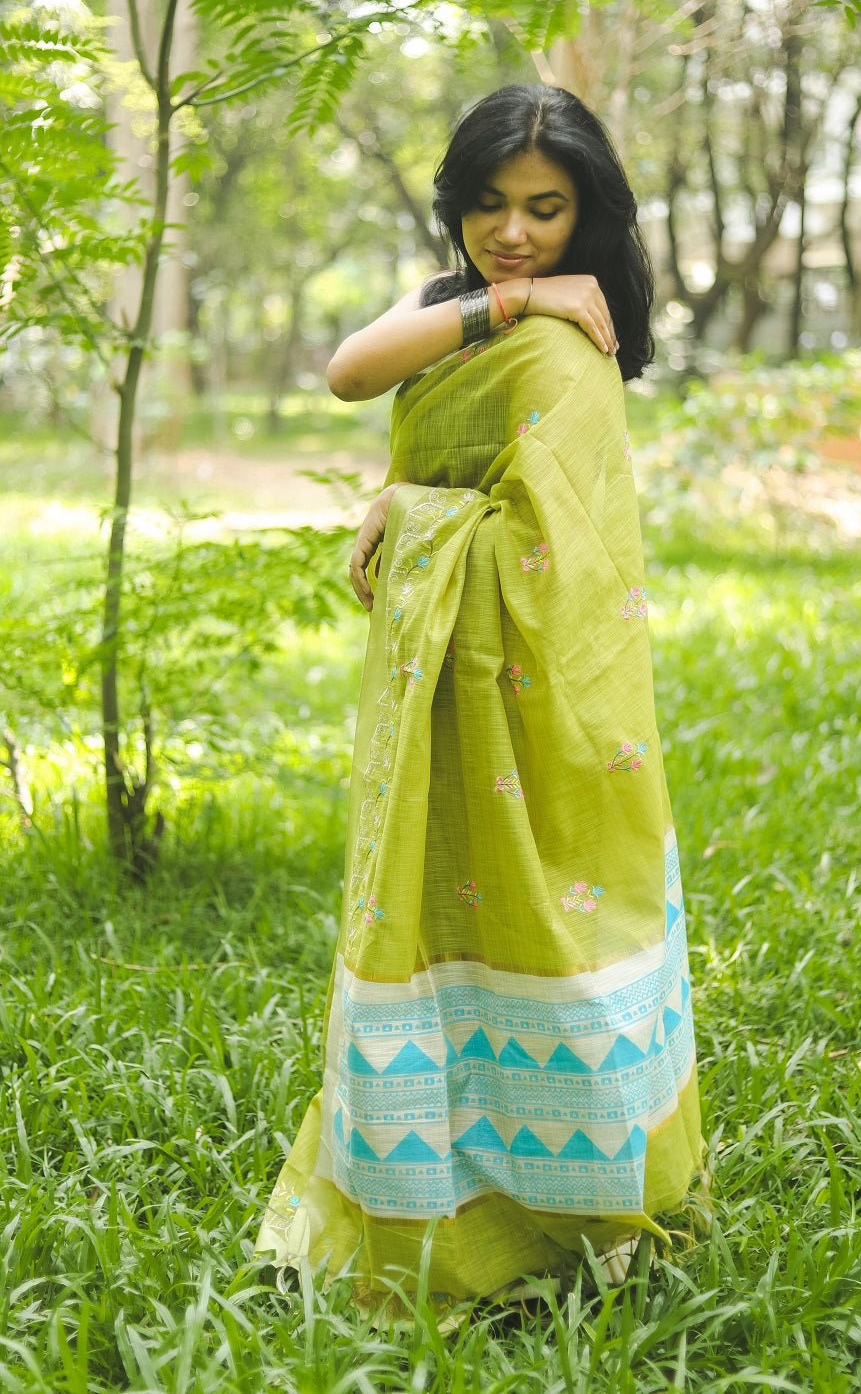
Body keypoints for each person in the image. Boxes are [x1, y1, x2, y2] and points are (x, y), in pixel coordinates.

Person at [256, 83, 702, 1309]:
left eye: (546, 212)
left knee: (547, 926)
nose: (514, 231)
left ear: (588, 213)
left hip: (539, 685)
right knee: (435, 930)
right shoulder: (479, 305)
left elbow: (554, 549)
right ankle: (432, 1187)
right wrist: (506, 296)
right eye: (490, 207)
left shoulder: (570, 348)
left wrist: (413, 512)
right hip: (439, 684)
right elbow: (351, 372)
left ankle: (564, 1213)